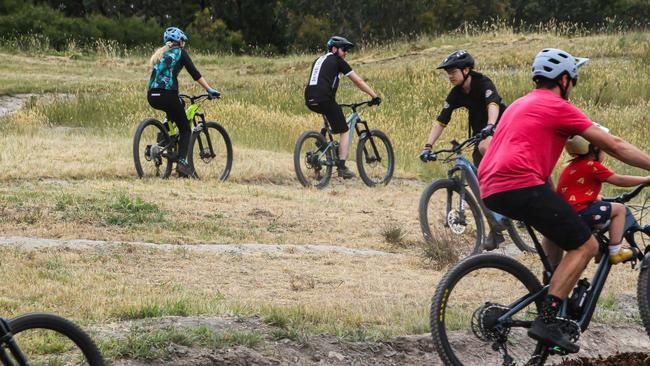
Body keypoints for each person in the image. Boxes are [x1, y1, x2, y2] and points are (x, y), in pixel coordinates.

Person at [478, 48, 650, 353]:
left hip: (491, 185)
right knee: (587, 245)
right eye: (575, 80)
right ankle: (547, 319)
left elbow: (497, 149)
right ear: (565, 79)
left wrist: (554, 196)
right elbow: (616, 145)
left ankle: (552, 285)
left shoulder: (519, 104)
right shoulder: (558, 106)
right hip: (520, 183)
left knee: (556, 226)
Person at [420, 50, 508, 249]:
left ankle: (509, 190)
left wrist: (490, 126)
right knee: (481, 184)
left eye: (453, 72)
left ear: (466, 70)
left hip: (501, 129)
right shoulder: (456, 93)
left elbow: (493, 104)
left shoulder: (483, 83)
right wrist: (428, 146)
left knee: (485, 149)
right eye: (447, 72)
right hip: (481, 135)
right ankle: (496, 230)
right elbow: (442, 120)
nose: (450, 76)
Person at [559, 125, 650, 263]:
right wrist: (645, 180)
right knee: (620, 209)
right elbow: (619, 180)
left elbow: (573, 190)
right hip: (581, 212)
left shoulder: (570, 166)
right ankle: (616, 251)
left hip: (567, 213)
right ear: (595, 149)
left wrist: (593, 197)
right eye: (603, 148)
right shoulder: (593, 166)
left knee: (600, 216)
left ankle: (599, 251)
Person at [147, 27, 221, 177]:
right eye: (183, 41)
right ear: (179, 41)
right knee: (186, 129)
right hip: (167, 94)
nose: (184, 44)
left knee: (178, 105)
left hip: (152, 96)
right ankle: (182, 162)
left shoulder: (159, 54)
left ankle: (164, 139)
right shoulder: (180, 52)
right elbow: (194, 73)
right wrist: (209, 89)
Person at [304, 36, 381, 179]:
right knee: (344, 130)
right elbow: (357, 81)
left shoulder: (319, 59)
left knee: (329, 113)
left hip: (309, 98)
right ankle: (341, 167)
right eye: (343, 49)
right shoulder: (338, 61)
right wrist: (374, 96)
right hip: (325, 98)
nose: (345, 53)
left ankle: (321, 140)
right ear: (334, 49)